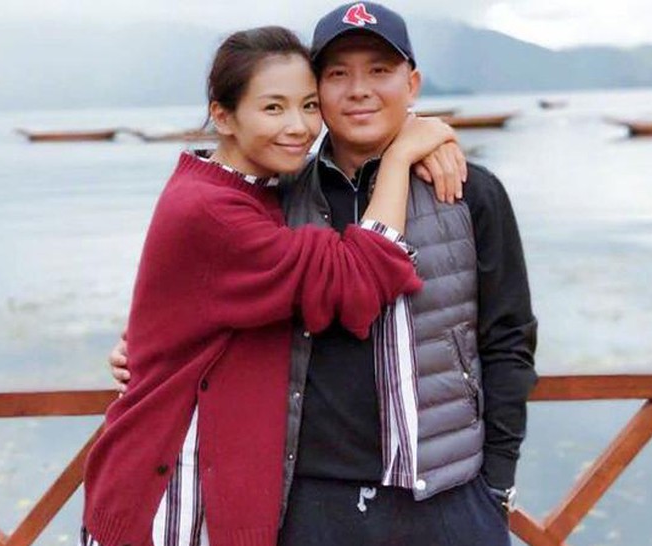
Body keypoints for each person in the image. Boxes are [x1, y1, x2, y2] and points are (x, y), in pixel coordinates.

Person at [112, 3, 537, 545]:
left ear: (412, 84)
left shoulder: (469, 192)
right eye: (337, 74)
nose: (359, 90)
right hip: (308, 500)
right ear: (318, 91)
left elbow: (508, 339)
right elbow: (212, 294)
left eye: (379, 71)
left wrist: (496, 484)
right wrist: (148, 347)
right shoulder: (278, 197)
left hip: (446, 495)